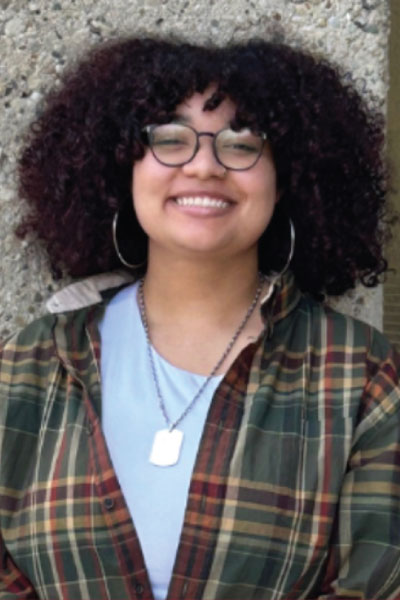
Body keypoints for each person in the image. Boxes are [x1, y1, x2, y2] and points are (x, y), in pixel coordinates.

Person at [0, 35, 399, 600]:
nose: (205, 165)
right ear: (121, 166)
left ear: (286, 179)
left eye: (242, 144)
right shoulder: (28, 367)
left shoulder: (361, 374)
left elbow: (377, 584)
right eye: (170, 138)